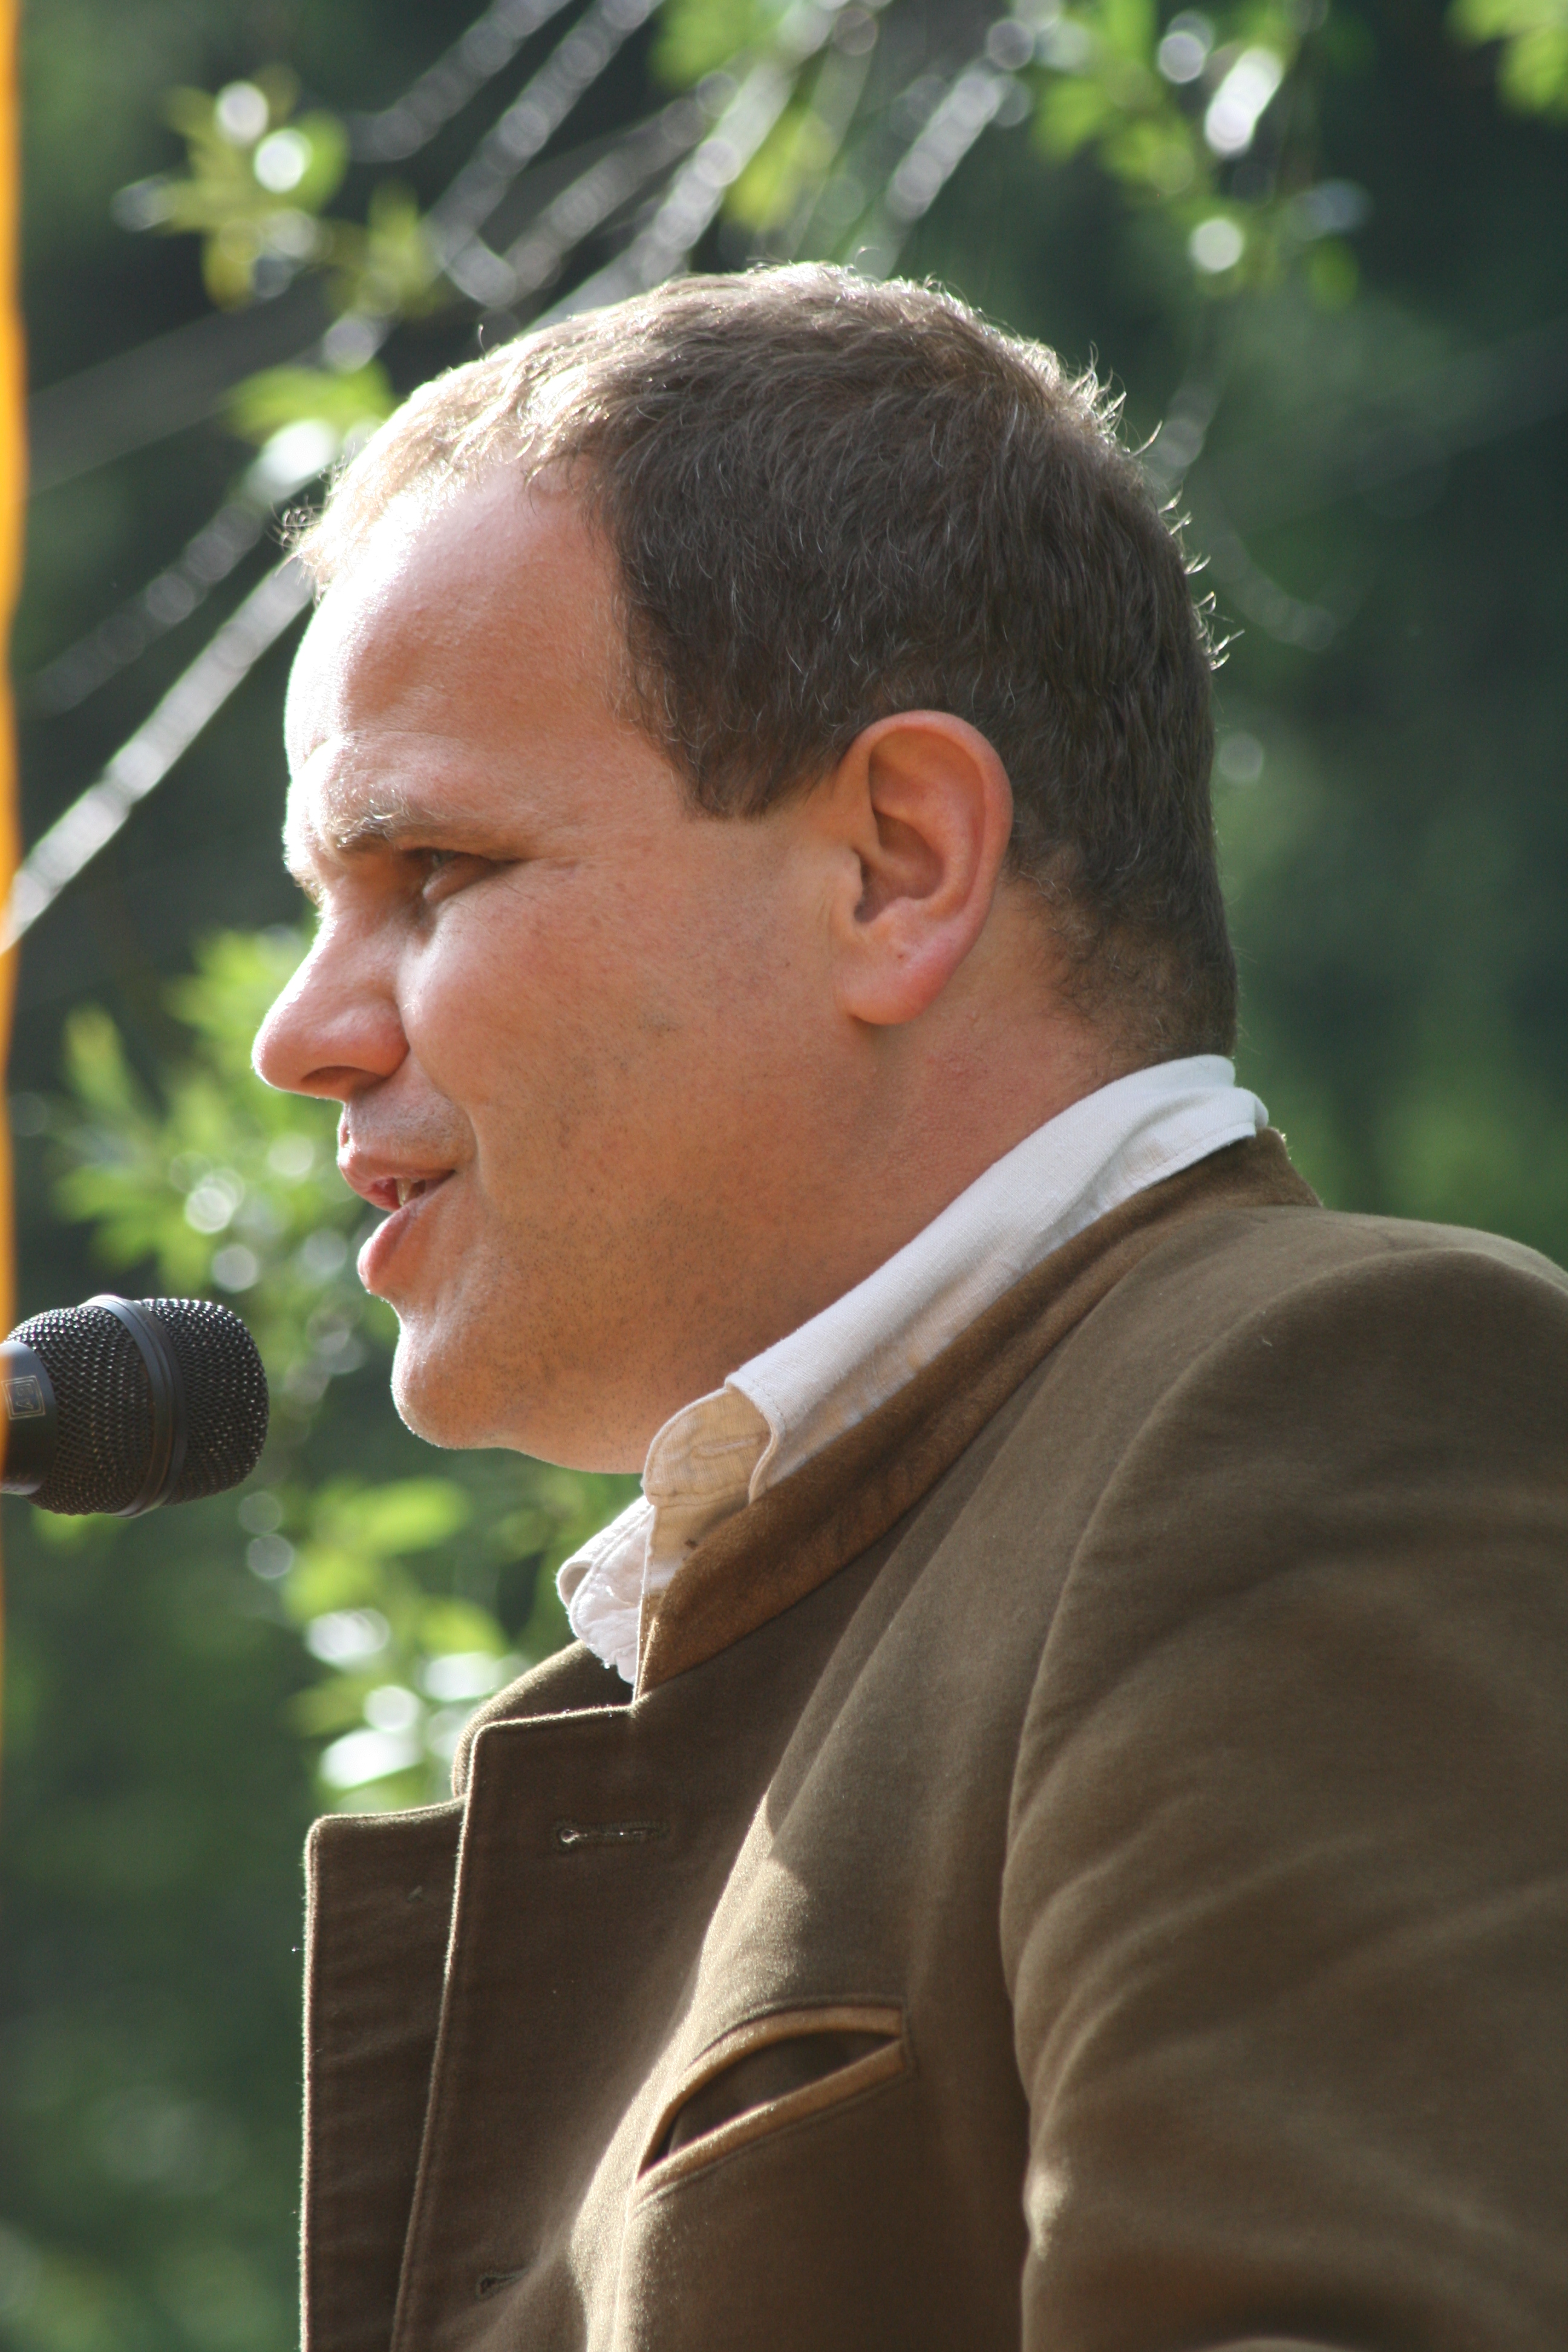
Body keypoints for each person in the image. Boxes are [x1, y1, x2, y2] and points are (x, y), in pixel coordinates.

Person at [253, 266, 1568, 2352]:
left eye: (429, 872)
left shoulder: (1331, 1399)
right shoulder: (783, 1623)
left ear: (898, 864)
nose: (300, 1034)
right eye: (318, 907)